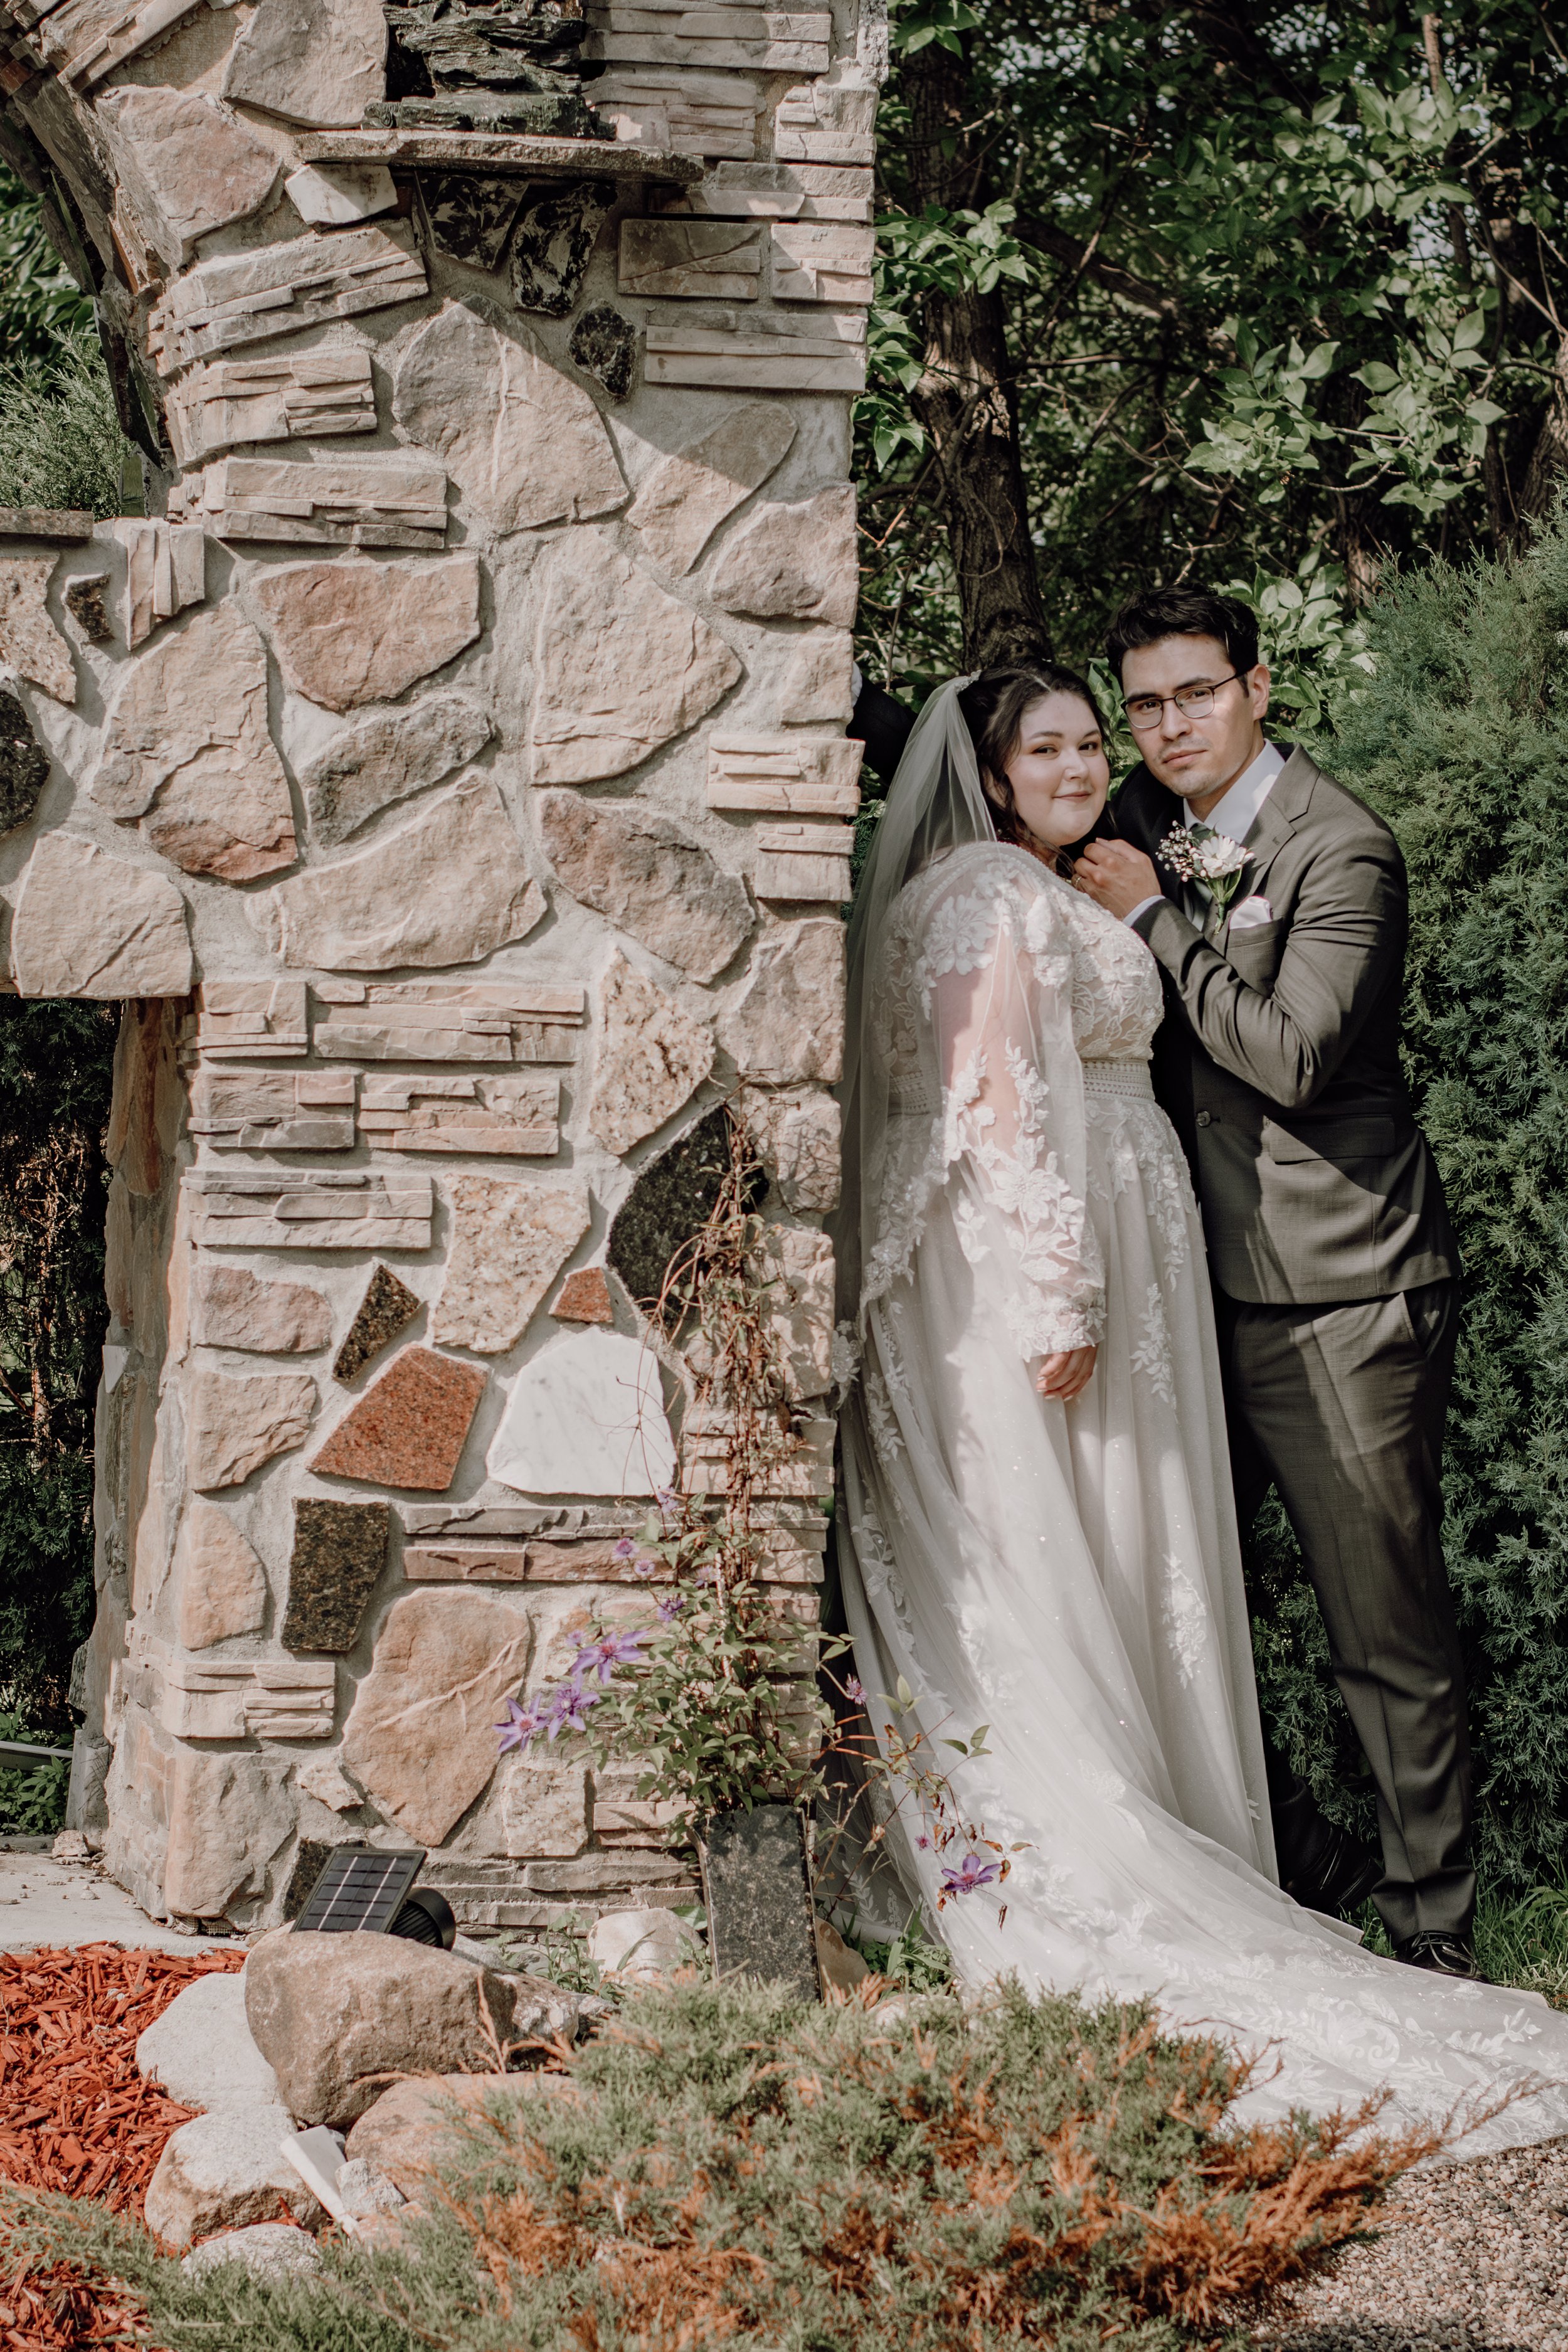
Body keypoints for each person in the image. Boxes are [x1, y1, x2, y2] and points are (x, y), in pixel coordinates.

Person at [831, 661, 1568, 2151]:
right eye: (1044, 744)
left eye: (1090, 739)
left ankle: (1331, 1867)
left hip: (1145, 1248)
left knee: (1132, 1553)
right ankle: (1109, 1860)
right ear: (980, 768)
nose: (1083, 760)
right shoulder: (988, 897)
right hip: (1056, 1260)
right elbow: (990, 1105)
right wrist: (1055, 1291)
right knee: (1066, 1550)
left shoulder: (1070, 880)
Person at [1074, 586, 1470, 1976]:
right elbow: (1018, 790)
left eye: (1191, 694)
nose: (1165, 726)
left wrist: (1157, 930)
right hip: (1190, 1294)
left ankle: (1432, 1933)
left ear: (1254, 686)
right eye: (1145, 705)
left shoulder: (1339, 847)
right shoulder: (1138, 815)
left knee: (1381, 1632)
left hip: (1340, 1288)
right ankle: (1306, 1871)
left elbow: (1294, 1059)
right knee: (1181, 1599)